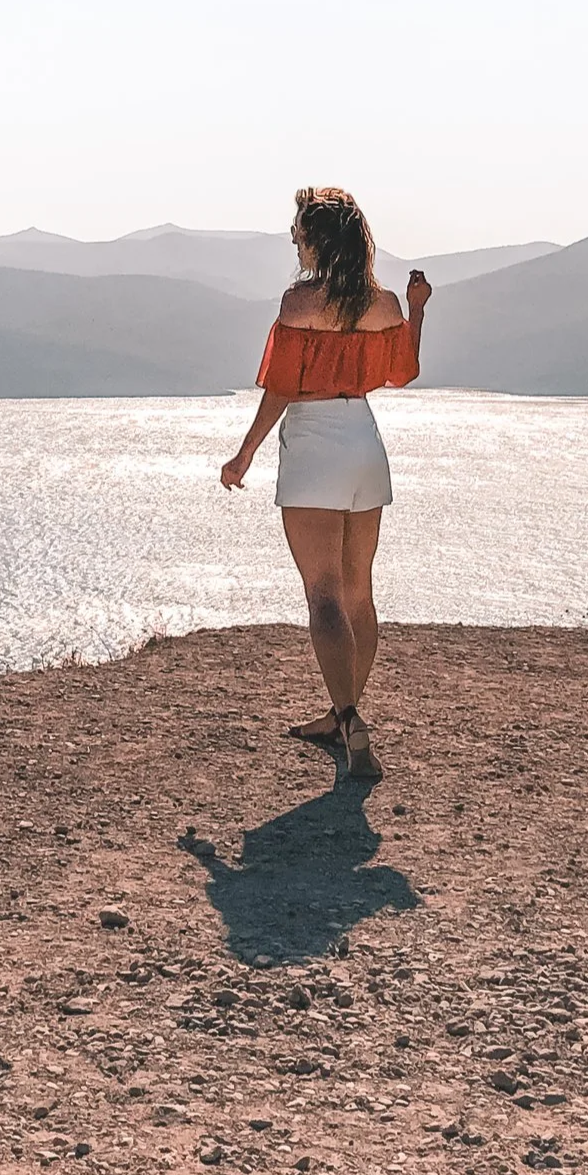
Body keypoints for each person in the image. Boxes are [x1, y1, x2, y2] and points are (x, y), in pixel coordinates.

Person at [220, 187, 430, 777]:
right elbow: (404, 371)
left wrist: (243, 455)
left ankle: (350, 719)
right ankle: (343, 717)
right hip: (364, 440)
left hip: (314, 446)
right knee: (359, 593)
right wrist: (417, 308)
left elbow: (282, 387)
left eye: (299, 231)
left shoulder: (299, 303)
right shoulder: (383, 303)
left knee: (325, 595)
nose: (294, 239)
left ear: (317, 239)